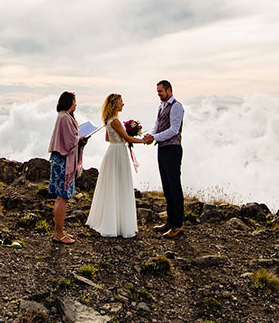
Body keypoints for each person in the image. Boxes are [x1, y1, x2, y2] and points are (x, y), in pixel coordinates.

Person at [85, 93, 145, 238]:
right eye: (120, 102)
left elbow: (107, 138)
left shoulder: (109, 120)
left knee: (112, 184)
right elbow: (127, 138)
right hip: (118, 152)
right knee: (120, 183)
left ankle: (112, 220)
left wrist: (120, 136)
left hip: (112, 151)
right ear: (115, 104)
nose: (122, 104)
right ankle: (118, 223)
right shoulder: (116, 121)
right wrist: (143, 140)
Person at [142, 79, 185, 238]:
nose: (158, 94)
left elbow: (174, 130)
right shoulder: (161, 106)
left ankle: (178, 225)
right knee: (167, 187)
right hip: (162, 149)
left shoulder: (176, 106)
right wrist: (150, 135)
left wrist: (155, 137)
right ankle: (170, 221)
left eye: (160, 91)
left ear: (169, 90)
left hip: (173, 149)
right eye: (157, 91)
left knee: (174, 187)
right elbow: (157, 125)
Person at [47, 91, 87, 244]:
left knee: (62, 197)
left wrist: (80, 139)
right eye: (74, 101)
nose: (76, 104)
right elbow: (69, 141)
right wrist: (80, 139)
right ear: (69, 102)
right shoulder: (64, 117)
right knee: (62, 197)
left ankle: (60, 231)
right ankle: (58, 233)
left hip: (62, 160)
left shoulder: (65, 116)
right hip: (63, 161)